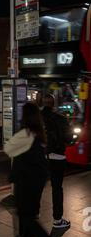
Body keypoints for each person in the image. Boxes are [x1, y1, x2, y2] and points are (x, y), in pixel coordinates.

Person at [4, 102, 59, 237]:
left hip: (26, 182)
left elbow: (10, 151)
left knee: (26, 217)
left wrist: (12, 178)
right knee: (29, 214)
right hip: (38, 181)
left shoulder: (26, 133)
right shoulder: (39, 132)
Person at [41, 94, 72, 229]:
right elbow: (69, 138)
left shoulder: (36, 119)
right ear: (53, 104)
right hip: (58, 158)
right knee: (57, 189)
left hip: (41, 158)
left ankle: (33, 218)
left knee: (37, 189)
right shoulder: (61, 118)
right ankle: (57, 220)